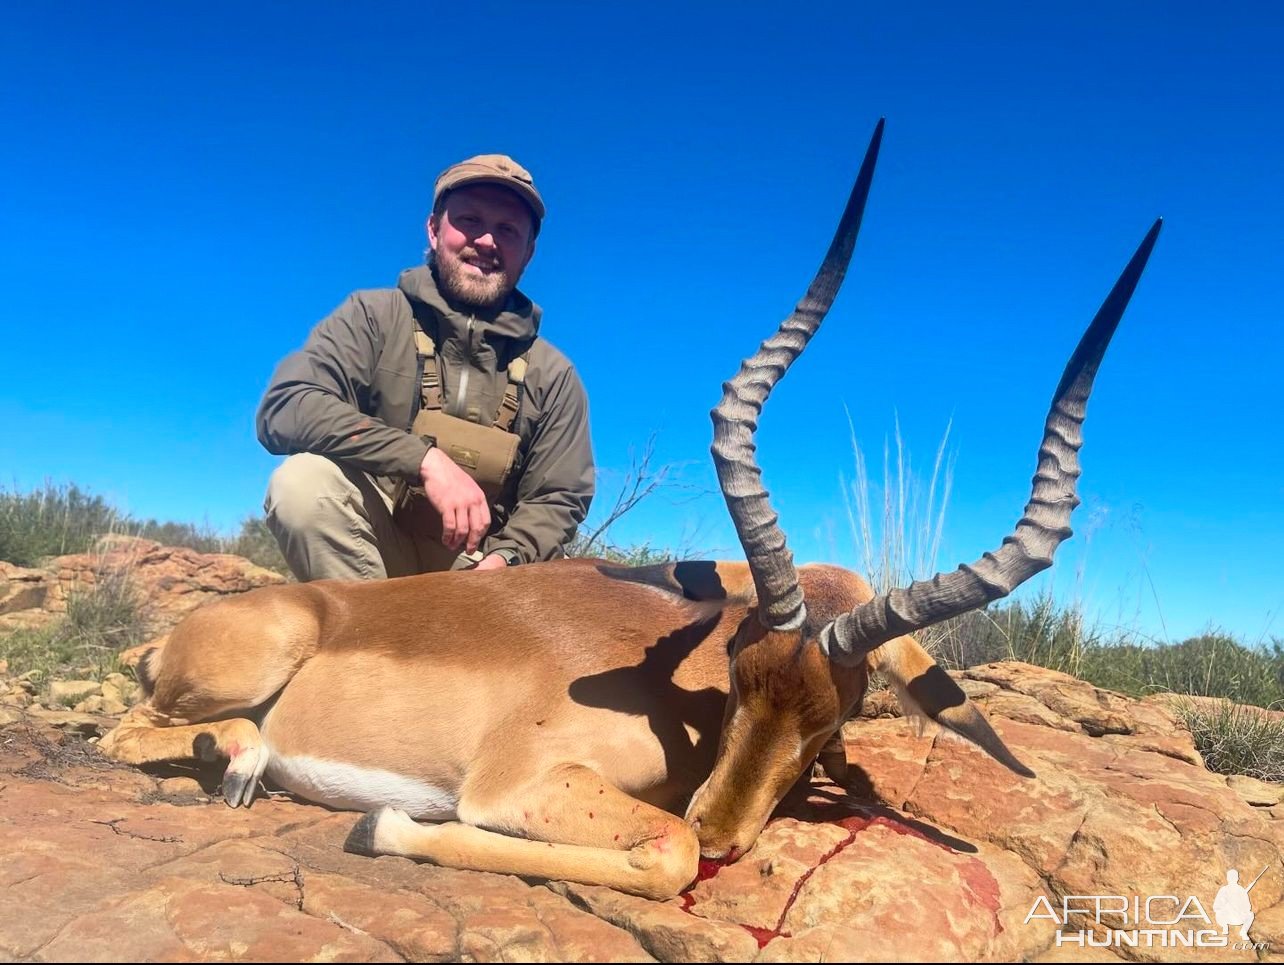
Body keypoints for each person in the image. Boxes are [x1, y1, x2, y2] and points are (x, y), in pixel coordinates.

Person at [256, 154, 594, 580]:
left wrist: (503, 563)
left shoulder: (554, 375)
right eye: (470, 220)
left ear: (527, 252)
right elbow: (286, 408)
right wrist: (425, 461)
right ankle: (369, 642)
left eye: (507, 230)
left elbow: (558, 497)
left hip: (480, 571)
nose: (488, 241)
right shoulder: (372, 317)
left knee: (572, 589)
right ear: (434, 230)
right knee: (303, 485)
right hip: (370, 555)